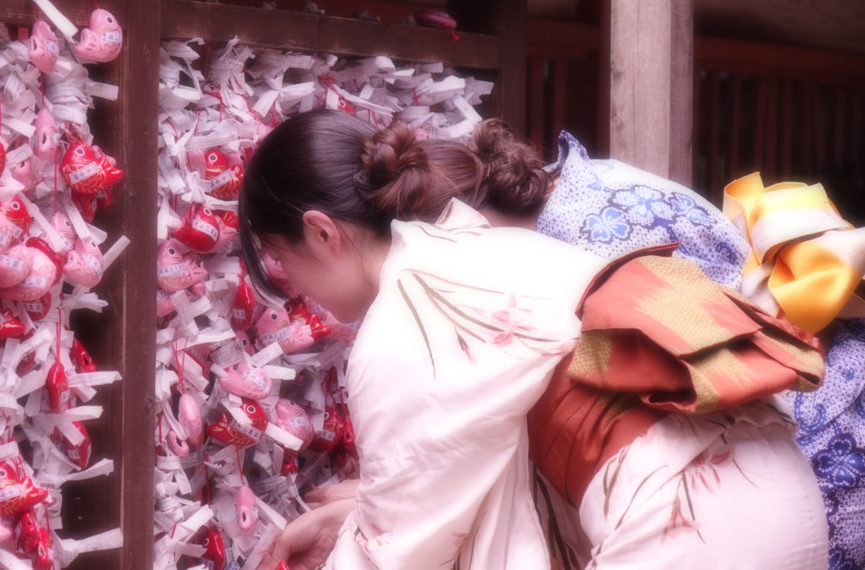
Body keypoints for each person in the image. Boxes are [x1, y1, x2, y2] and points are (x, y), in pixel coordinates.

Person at [241, 109, 828, 570]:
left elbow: (398, 554)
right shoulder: (496, 249)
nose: (288, 284)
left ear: (320, 232)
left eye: (277, 257)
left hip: (688, 523)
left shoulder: (405, 320)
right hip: (781, 496)